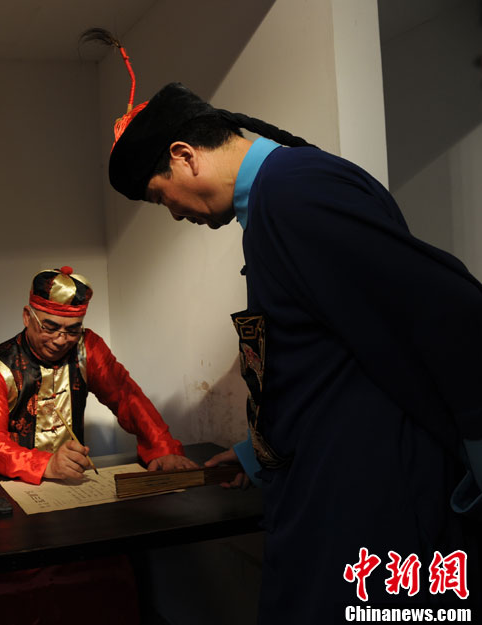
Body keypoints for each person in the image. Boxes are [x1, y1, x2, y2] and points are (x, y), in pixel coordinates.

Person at [93, 29, 481, 624]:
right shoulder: (283, 198)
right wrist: (256, 454)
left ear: (183, 155)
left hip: (369, 500)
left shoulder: (295, 194)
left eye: (158, 194)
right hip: (334, 482)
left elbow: (447, 311)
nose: (171, 210)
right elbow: (327, 358)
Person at [0, 266, 197, 484]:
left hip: (69, 483)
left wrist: (163, 448)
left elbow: (127, 397)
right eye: (49, 328)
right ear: (27, 317)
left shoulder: (86, 348)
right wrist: (46, 465)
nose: (61, 340)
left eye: (72, 330)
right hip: (4, 483)